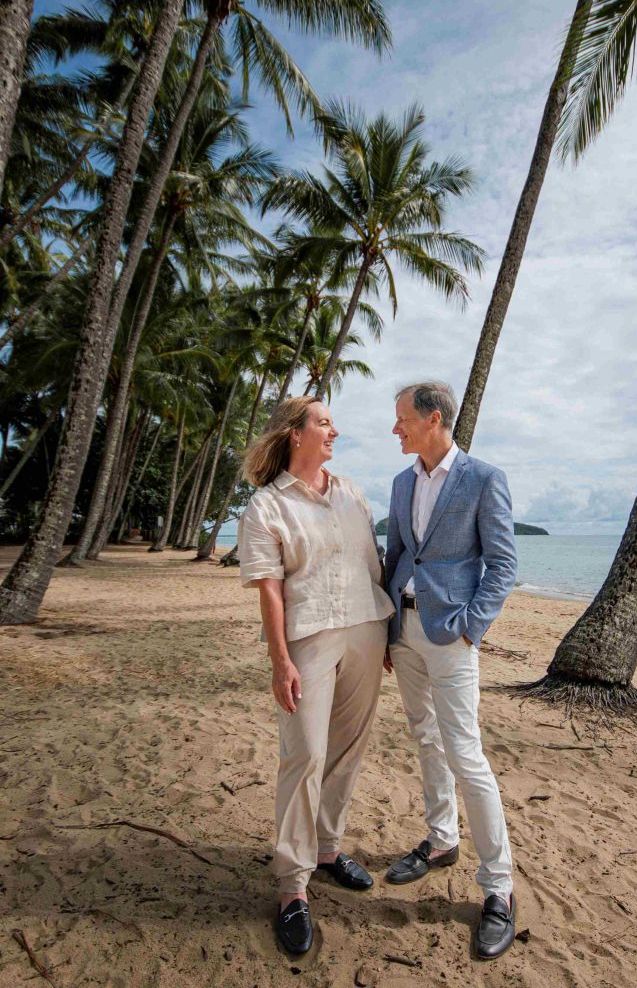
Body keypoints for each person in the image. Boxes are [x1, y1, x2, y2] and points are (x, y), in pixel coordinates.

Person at [238, 396, 394, 956]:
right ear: (294, 434)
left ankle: (327, 848)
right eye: (324, 422)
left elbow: (373, 564)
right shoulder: (266, 507)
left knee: (347, 749)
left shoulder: (350, 493)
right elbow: (270, 589)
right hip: (307, 638)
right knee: (304, 752)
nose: (335, 430)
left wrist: (387, 636)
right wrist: (280, 660)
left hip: (366, 629)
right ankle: (292, 886)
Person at [383, 381, 518, 960]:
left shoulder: (484, 478)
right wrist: (386, 627)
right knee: (426, 739)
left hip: (451, 636)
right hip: (404, 632)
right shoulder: (400, 481)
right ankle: (442, 842)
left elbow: (504, 563)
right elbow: (394, 556)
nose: (396, 430)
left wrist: (470, 626)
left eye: (402, 421)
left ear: (432, 419)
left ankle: (499, 888)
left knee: (466, 752)